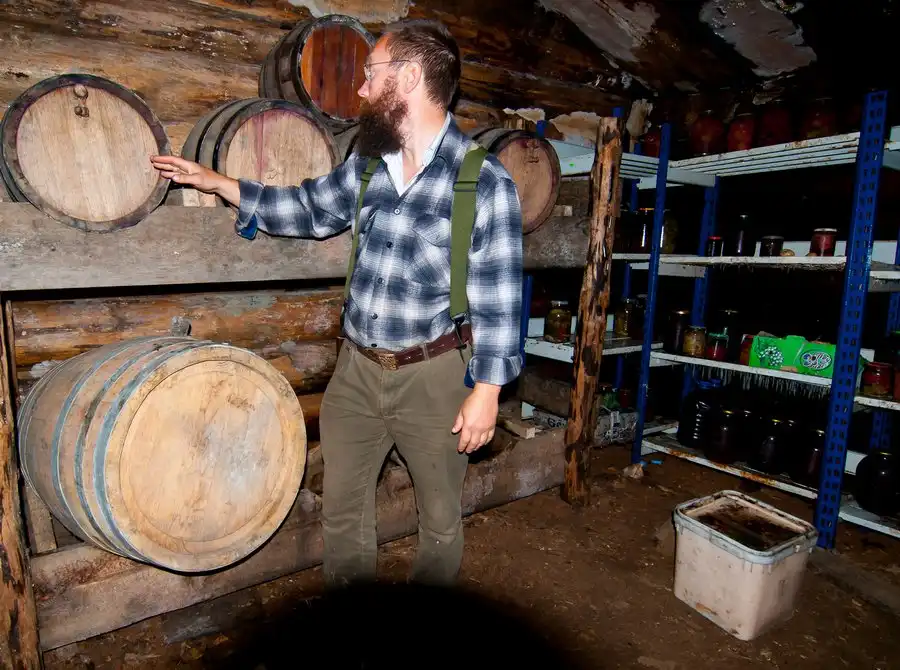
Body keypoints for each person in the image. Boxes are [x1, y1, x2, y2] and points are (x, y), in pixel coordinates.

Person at [150, 19, 523, 587]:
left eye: (372, 74)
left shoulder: (483, 180)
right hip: (356, 372)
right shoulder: (369, 165)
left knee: (440, 522)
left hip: (434, 376)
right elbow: (307, 209)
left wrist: (488, 392)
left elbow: (500, 296)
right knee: (343, 517)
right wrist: (220, 183)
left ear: (410, 77)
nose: (362, 89)